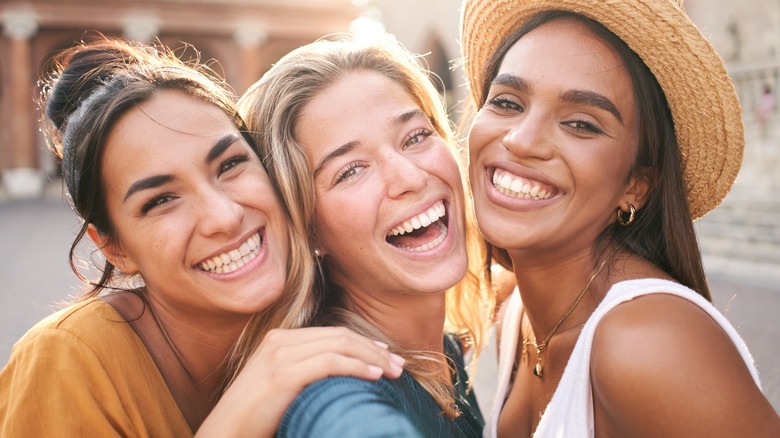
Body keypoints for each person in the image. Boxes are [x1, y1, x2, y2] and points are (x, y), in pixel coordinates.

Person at [0, 37, 404, 437]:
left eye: (229, 164)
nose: (224, 217)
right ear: (115, 248)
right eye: (161, 200)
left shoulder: (330, 302)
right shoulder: (67, 362)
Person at [459, 0, 780, 436]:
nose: (521, 140)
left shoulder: (648, 343)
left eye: (580, 124)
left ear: (636, 185)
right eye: (507, 102)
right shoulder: (519, 314)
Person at [236, 35, 492, 437]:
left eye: (415, 136)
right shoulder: (331, 389)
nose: (409, 177)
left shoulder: (445, 352)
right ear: (307, 230)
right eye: (351, 170)